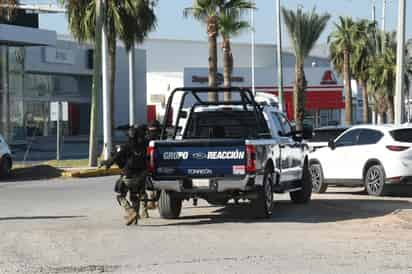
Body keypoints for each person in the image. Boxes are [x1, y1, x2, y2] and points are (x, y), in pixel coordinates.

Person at [100, 124, 148, 226]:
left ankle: (130, 211)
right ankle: (135, 218)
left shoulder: (127, 146)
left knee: (120, 196)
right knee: (135, 196)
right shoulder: (144, 145)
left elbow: (116, 157)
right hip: (141, 176)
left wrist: (107, 163)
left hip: (129, 175)